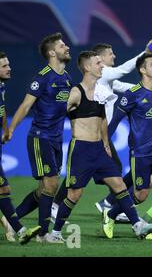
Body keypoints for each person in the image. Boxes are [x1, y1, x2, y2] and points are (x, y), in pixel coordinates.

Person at [46, 51, 152, 243]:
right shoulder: (76, 92)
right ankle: (55, 233)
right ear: (87, 67)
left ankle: (137, 226)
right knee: (74, 194)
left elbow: (103, 119)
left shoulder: (100, 91)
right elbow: (56, 113)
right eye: (98, 63)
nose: (102, 66)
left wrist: (106, 144)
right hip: (81, 150)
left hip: (99, 149)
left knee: (120, 185)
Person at [102, 53, 152, 242]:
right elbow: (113, 122)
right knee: (141, 194)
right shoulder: (132, 94)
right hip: (140, 152)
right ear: (142, 70)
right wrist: (104, 143)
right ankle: (111, 214)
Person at [4, 33, 73, 241]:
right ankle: (44, 234)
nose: (67, 47)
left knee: (44, 189)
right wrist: (11, 129)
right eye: (62, 45)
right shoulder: (42, 77)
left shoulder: (67, 78)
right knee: (51, 185)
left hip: (57, 139)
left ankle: (10, 220)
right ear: (52, 52)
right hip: (40, 137)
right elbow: (25, 105)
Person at [0, 51, 41, 244]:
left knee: (4, 189)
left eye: (8, 64)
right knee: (3, 190)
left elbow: (2, 109)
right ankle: (20, 230)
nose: (9, 69)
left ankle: (16, 228)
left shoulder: (1, 86)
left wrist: (6, 129)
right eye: (4, 66)